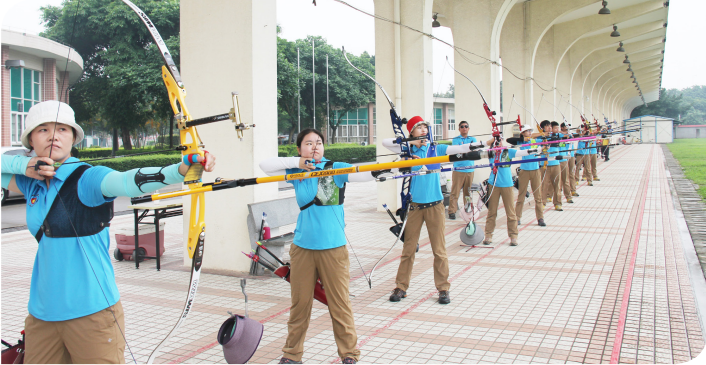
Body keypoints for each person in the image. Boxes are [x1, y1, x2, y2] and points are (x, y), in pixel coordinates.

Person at [0, 100, 216, 364]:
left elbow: (126, 180)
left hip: (92, 313)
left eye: (62, 129)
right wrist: (24, 166)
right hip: (42, 315)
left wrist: (179, 170)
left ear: (73, 138)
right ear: (31, 140)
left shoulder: (87, 178)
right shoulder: (29, 182)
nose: (53, 136)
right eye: (43, 130)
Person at [259, 128, 386, 364]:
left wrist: (387, 167)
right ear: (299, 149)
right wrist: (300, 162)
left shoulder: (334, 167)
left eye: (319, 142)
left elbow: (362, 173)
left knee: (339, 303)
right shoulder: (296, 171)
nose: (315, 146)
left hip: (333, 248)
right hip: (303, 248)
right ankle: (291, 354)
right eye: (308, 143)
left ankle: (349, 353)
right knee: (300, 305)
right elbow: (265, 165)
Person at [384, 116, 479, 305]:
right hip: (415, 207)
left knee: (439, 250)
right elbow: (385, 142)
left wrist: (485, 143)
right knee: (408, 249)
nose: (424, 130)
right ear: (411, 132)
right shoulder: (407, 151)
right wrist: (409, 145)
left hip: (435, 206)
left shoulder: (437, 149)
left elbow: (461, 148)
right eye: (419, 128)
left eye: (425, 127)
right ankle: (401, 286)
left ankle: (443, 288)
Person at [481, 133, 537, 246]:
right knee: (492, 212)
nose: (499, 142)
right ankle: (488, 235)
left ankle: (513, 236)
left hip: (507, 184)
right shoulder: (490, 152)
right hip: (494, 184)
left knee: (511, 212)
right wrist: (489, 143)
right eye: (496, 140)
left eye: (500, 140)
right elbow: (479, 152)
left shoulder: (508, 151)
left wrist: (540, 148)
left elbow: (523, 152)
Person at [506, 125, 546, 227]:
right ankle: (517, 217)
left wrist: (544, 139)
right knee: (521, 195)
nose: (529, 132)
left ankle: (540, 218)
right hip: (524, 170)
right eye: (527, 131)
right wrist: (525, 138)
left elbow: (545, 138)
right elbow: (509, 140)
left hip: (536, 170)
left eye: (530, 130)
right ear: (523, 133)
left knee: (538, 196)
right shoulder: (521, 141)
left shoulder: (535, 140)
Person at [447, 121, 477, 220]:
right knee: (455, 192)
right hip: (459, 170)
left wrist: (465, 149)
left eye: (466, 126)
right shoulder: (456, 139)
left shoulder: (473, 139)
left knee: (467, 192)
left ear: (468, 128)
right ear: (459, 129)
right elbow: (459, 150)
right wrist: (466, 149)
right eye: (462, 126)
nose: (464, 128)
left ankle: (467, 210)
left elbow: (473, 151)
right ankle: (452, 211)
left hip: (470, 170)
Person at [541, 121, 563, 211]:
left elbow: (566, 136)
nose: (550, 128)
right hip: (545, 164)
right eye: (547, 126)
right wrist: (543, 136)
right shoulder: (540, 137)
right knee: (543, 185)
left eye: (550, 126)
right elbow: (532, 138)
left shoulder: (557, 136)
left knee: (557, 184)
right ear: (542, 128)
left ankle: (558, 203)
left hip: (556, 163)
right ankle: (542, 203)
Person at [561, 123, 579, 198]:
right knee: (562, 175)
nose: (567, 128)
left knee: (571, 172)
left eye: (568, 127)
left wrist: (580, 131)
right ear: (561, 127)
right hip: (564, 156)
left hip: (571, 155)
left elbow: (579, 134)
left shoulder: (570, 133)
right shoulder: (559, 134)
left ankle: (573, 190)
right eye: (565, 126)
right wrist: (565, 134)